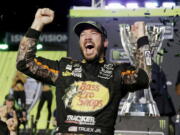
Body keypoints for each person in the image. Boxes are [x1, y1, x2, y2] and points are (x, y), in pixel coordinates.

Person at [16, 8, 150, 135]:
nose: (87, 37)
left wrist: (142, 38)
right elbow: (24, 63)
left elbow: (144, 78)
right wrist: (37, 23)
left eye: (93, 33)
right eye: (83, 34)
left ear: (105, 42)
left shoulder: (117, 72)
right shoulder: (64, 68)